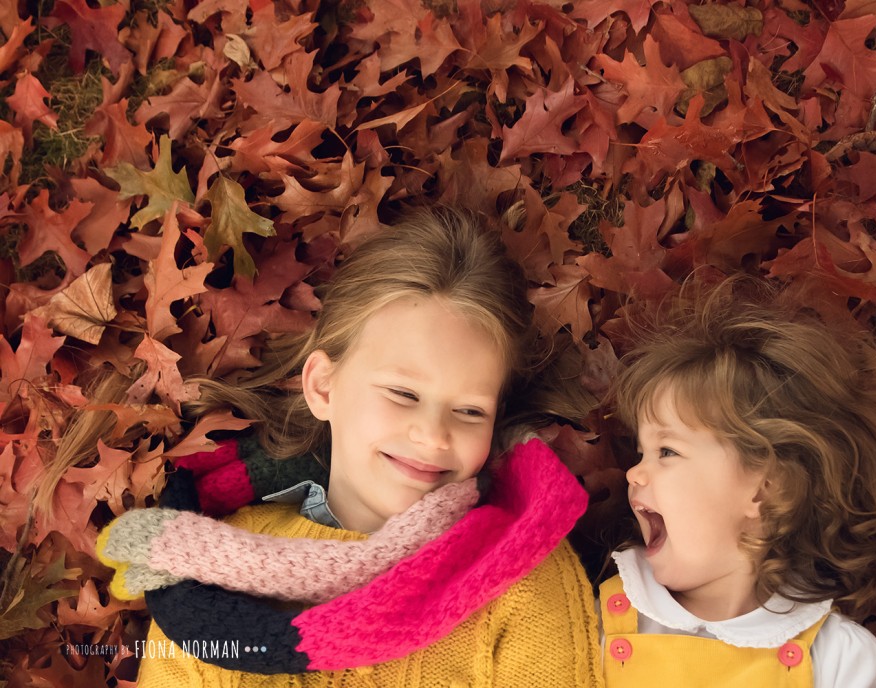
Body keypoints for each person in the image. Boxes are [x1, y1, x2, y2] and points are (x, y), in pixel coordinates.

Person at [90, 207, 603, 687]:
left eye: (470, 410)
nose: (433, 434)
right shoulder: (209, 565)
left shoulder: (521, 571)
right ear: (324, 388)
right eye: (403, 393)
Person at [598, 278, 876, 688]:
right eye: (640, 453)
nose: (633, 472)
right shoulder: (604, 618)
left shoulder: (835, 658)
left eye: (667, 451)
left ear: (766, 489)